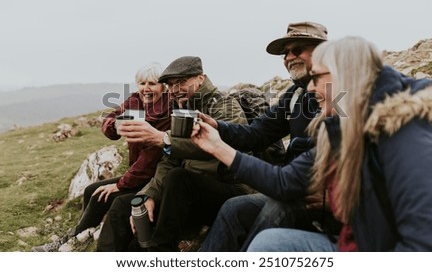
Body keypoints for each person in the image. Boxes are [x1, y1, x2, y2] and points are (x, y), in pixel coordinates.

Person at [192, 36, 432, 251]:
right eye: (285, 53)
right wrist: (218, 134)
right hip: (346, 224)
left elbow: (429, 246)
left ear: (343, 72)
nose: (312, 88)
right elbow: (260, 138)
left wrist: (335, 190)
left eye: (316, 77)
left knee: (277, 214)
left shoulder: (401, 133)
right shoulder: (311, 107)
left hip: (356, 231)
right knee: (247, 219)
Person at [198, 21, 340, 252]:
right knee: (235, 209)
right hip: (291, 187)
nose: (288, 57)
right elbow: (257, 134)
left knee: (279, 209)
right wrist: (216, 126)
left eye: (297, 49)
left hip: (323, 200)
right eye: (285, 53)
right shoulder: (295, 95)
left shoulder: (340, 96)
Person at [96, 56, 252, 251]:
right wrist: (149, 195)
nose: (175, 89)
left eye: (181, 82)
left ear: (201, 78)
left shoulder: (224, 106)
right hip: (186, 192)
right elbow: (169, 160)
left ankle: (160, 250)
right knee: (124, 206)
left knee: (178, 178)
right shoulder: (183, 109)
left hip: (228, 190)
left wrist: (164, 139)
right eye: (171, 85)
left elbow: (220, 147)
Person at [32, 63, 171, 252]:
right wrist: (114, 126)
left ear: (163, 86)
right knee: (91, 190)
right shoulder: (135, 102)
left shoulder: (167, 113)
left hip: (153, 178)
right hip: (137, 173)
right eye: (142, 83)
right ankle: (81, 234)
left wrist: (121, 184)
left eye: (152, 83)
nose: (146, 88)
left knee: (102, 195)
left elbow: (150, 159)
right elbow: (110, 118)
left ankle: (67, 242)